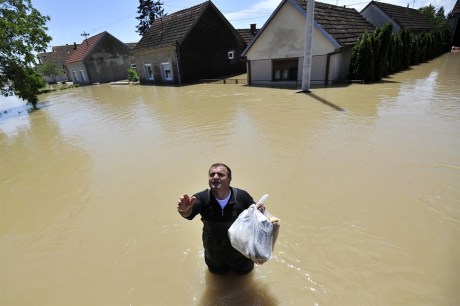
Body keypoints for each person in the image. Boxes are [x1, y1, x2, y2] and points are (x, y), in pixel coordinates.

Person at [177, 163, 265, 274]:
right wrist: (184, 209)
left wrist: (260, 213)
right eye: (212, 174)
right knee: (217, 279)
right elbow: (188, 214)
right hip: (214, 255)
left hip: (240, 254)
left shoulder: (242, 196)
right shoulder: (202, 197)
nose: (215, 177)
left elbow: (257, 220)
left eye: (220, 174)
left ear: (229, 179)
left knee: (245, 280)